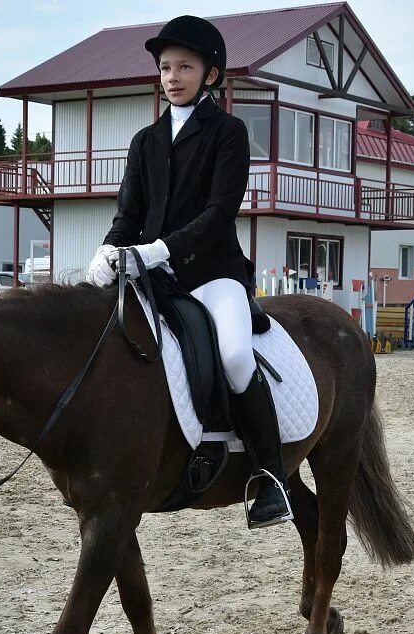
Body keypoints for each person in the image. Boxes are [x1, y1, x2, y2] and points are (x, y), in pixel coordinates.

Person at [85, 15, 292, 529]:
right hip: (153, 276)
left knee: (236, 355)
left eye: (184, 67)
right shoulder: (145, 141)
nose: (172, 76)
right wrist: (108, 250)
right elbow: (128, 214)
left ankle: (272, 480)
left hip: (212, 272)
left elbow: (219, 214)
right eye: (165, 67)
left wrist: (159, 250)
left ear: (211, 75)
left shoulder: (228, 132)